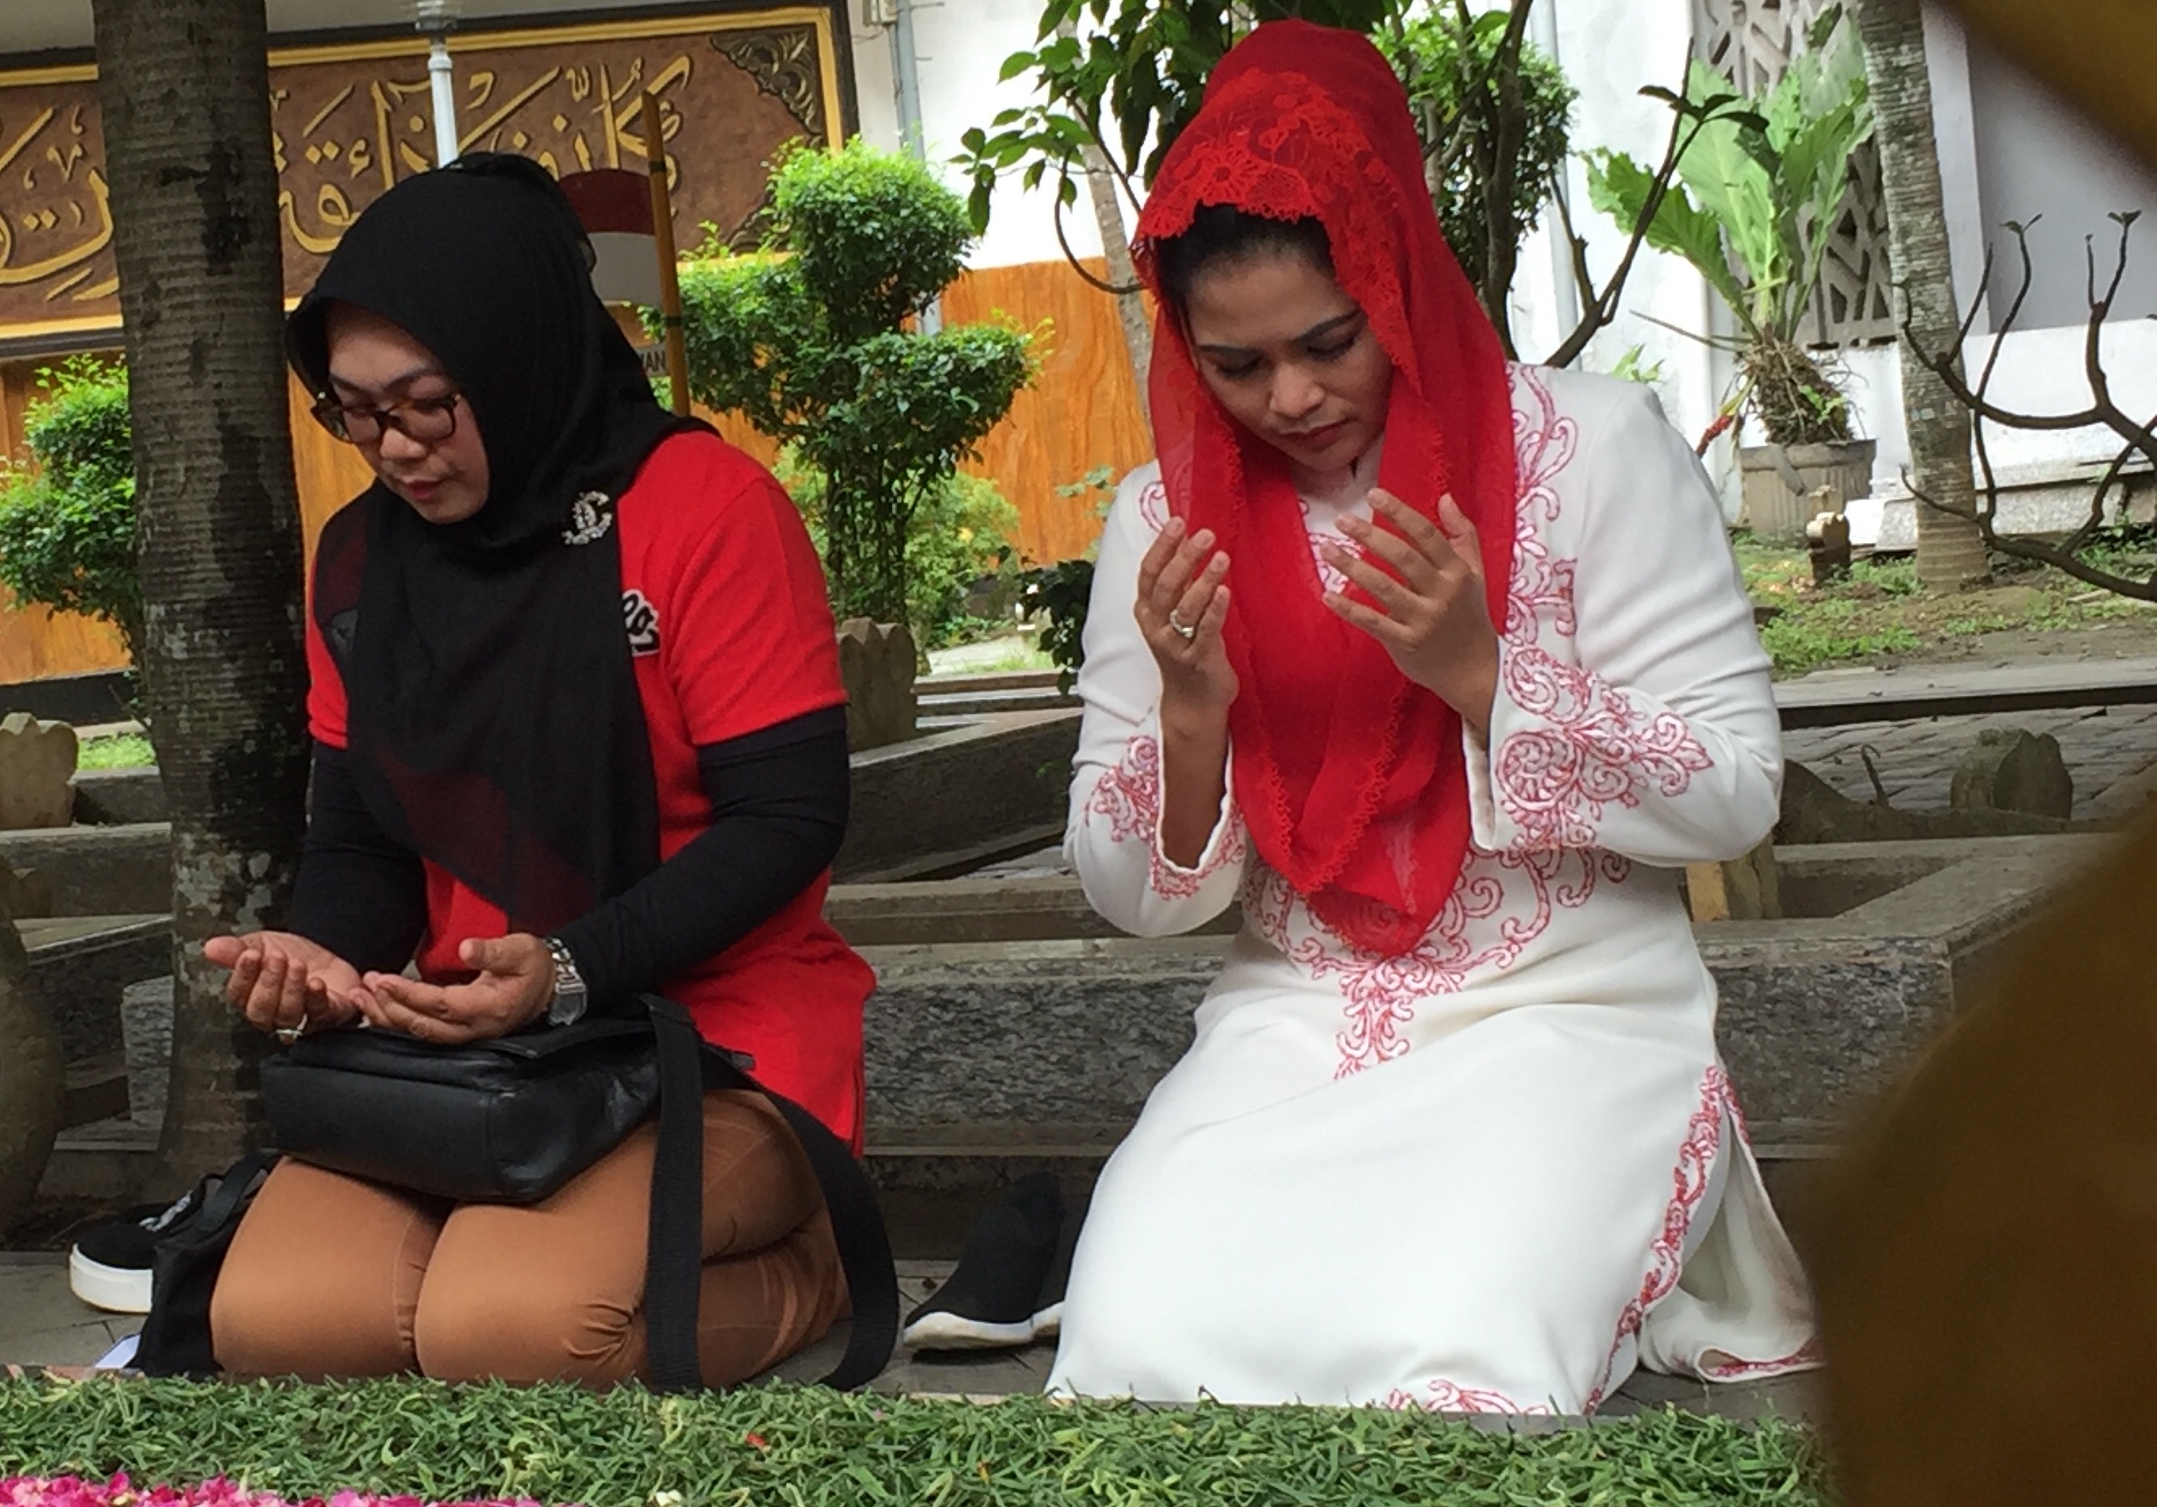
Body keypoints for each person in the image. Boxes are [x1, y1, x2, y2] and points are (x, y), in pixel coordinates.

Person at [1044, 23, 1817, 1411]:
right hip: (1296, 1017)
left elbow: (1738, 791)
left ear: (1393, 277)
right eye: (1234, 364)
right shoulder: (1164, 521)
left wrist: (1484, 674)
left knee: (1453, 1359)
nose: (1289, 397)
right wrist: (1192, 718)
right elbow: (1130, 899)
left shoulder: (1593, 453)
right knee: (1131, 1353)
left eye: (1327, 342)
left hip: (1569, 1007)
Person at [199, 155, 872, 1387]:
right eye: (353, 410)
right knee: (282, 1329)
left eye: (426, 403)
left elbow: (789, 816)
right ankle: (532, 1261)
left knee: (511, 1338)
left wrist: (571, 969)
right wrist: (326, 961)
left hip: (710, 1033)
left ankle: (816, 1252)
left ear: (514, 363)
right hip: (480, 1052)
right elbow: (361, 835)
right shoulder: (361, 563)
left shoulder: (705, 509)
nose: (392, 447)